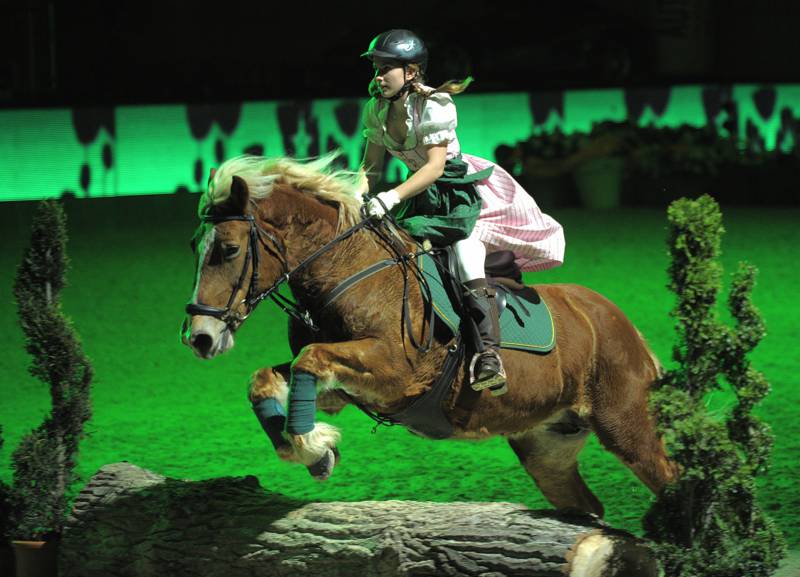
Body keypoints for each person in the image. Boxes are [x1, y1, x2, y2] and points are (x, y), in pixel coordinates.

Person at [360, 29, 565, 397]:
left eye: (385, 68)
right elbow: (370, 169)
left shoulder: (435, 105)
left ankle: (489, 356)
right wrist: (353, 195)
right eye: (376, 67)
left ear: (410, 72)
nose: (377, 76)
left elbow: (435, 167)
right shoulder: (375, 108)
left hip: (459, 194)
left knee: (466, 256)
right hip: (418, 195)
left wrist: (390, 197)